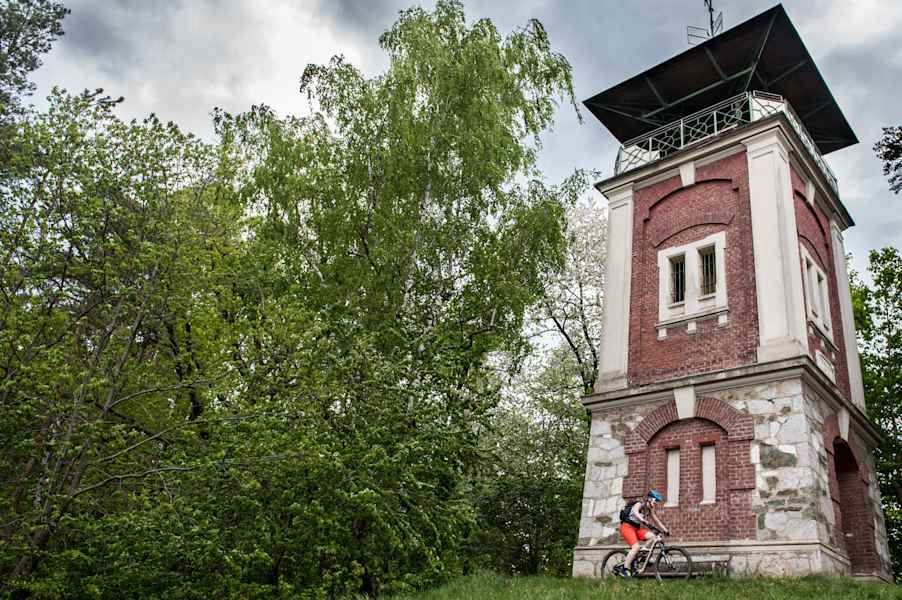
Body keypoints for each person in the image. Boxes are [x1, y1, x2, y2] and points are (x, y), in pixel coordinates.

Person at [614, 490, 670, 578]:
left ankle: (643, 556)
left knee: (653, 537)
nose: (656, 504)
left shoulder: (649, 509)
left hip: (636, 529)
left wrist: (665, 530)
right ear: (650, 499)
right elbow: (635, 512)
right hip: (626, 527)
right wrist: (643, 520)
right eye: (655, 501)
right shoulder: (640, 503)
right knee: (636, 547)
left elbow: (657, 521)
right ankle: (625, 569)